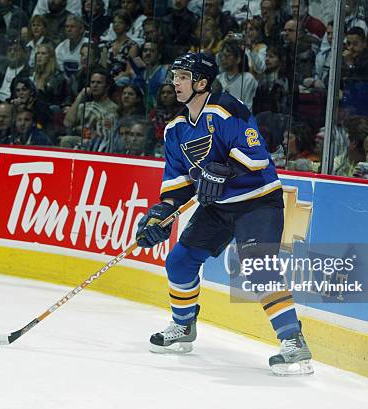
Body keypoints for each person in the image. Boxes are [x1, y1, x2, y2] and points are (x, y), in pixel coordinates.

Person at [135, 52, 313, 376]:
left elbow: (257, 157)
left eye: (183, 77)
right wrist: (160, 214)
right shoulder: (175, 130)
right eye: (174, 76)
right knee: (178, 261)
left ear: (201, 82)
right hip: (217, 209)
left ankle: (293, 341)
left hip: (257, 201)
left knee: (258, 267)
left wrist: (223, 170)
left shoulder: (227, 109)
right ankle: (184, 326)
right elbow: (178, 186)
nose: (175, 82)